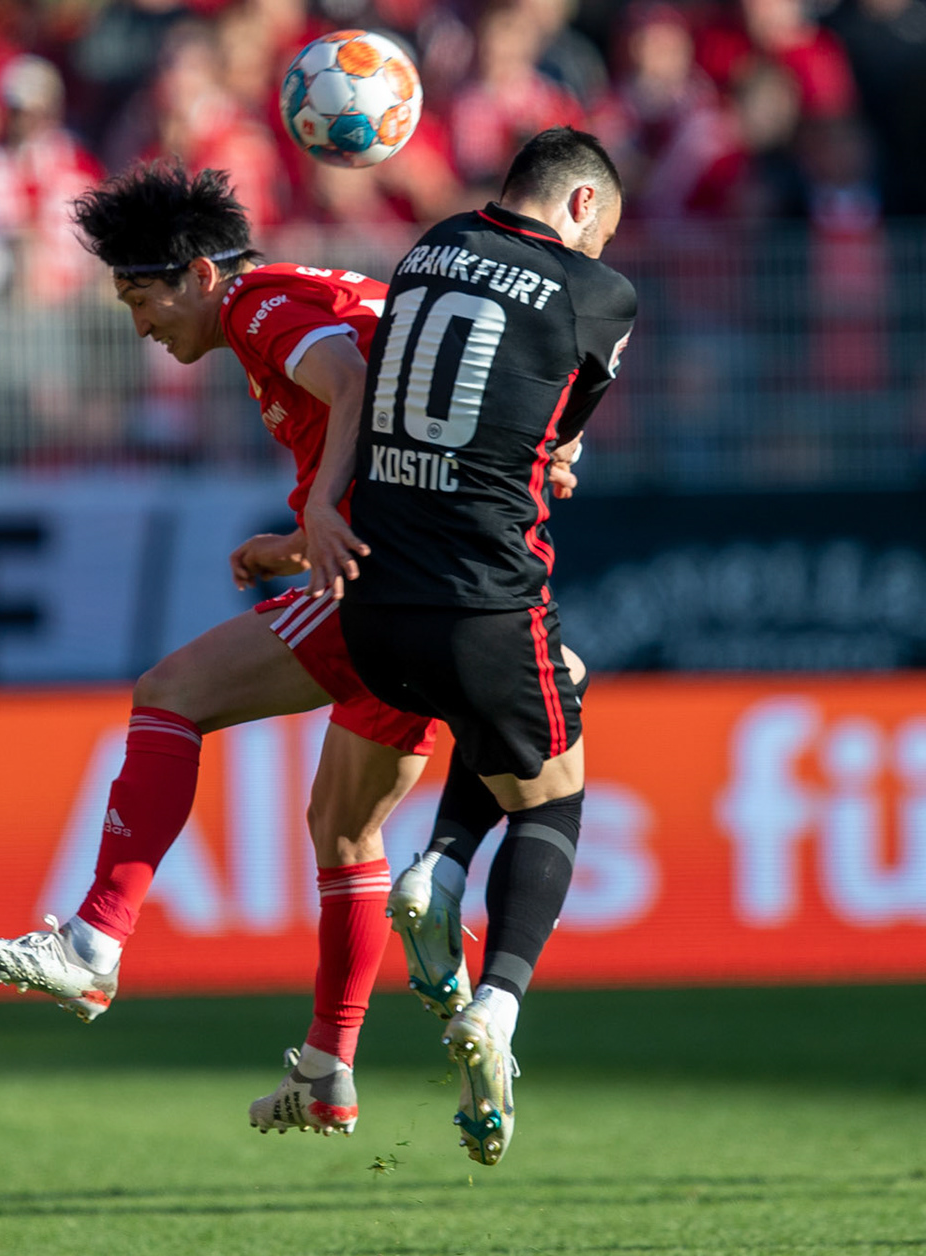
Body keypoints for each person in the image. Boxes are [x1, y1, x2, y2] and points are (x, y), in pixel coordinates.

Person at [0, 162, 511, 1140]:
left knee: (170, 692)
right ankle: (334, 1065)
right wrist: (301, 538)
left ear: (202, 275)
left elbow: (352, 382)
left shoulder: (257, 302)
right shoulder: (313, 297)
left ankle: (93, 940)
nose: (139, 323)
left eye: (143, 295)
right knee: (343, 827)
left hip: (392, 579)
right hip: (457, 574)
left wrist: (327, 514)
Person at [319, 126, 636, 1167]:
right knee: (556, 787)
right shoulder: (601, 295)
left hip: (376, 600)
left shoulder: (425, 248)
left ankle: (444, 865)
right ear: (583, 208)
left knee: (506, 709)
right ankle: (495, 997)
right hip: (483, 603)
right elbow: (561, 439)